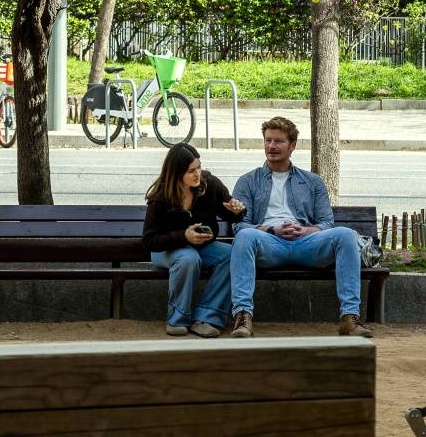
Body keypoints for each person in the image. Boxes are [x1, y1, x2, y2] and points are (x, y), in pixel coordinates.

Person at [227, 116, 372, 339]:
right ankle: (243, 317)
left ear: (292, 145)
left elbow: (326, 222)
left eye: (278, 141)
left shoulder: (312, 181)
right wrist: (271, 230)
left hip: (306, 244)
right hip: (269, 245)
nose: (271, 146)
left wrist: (306, 231)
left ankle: (349, 318)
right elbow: (239, 225)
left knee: (344, 234)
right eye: (267, 141)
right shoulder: (248, 181)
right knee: (245, 236)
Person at [143, 142, 246, 338]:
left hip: (203, 246)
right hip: (166, 250)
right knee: (188, 258)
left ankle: (207, 317)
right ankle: (177, 319)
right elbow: (149, 241)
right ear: (176, 173)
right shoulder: (161, 197)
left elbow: (229, 212)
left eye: (198, 167)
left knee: (234, 255)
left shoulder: (209, 184)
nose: (197, 174)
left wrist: (237, 211)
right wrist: (183, 236)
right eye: (191, 171)